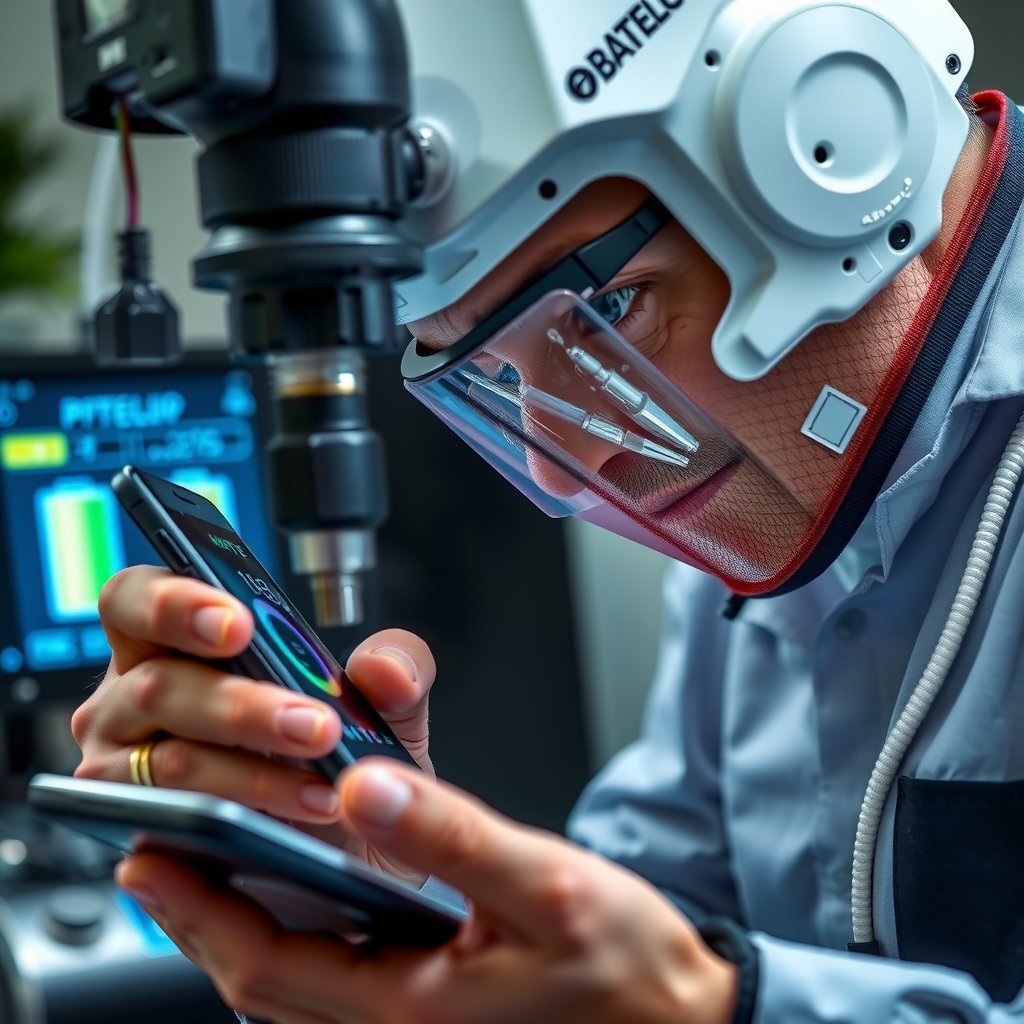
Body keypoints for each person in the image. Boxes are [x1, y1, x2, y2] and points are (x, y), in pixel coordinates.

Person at [69, 3, 1024, 1021]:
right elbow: (658, 907)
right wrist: (402, 897)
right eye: (489, 372)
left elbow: (694, 986)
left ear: (836, 133)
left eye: (607, 311)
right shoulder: (775, 505)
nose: (562, 471)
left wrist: (717, 1009)